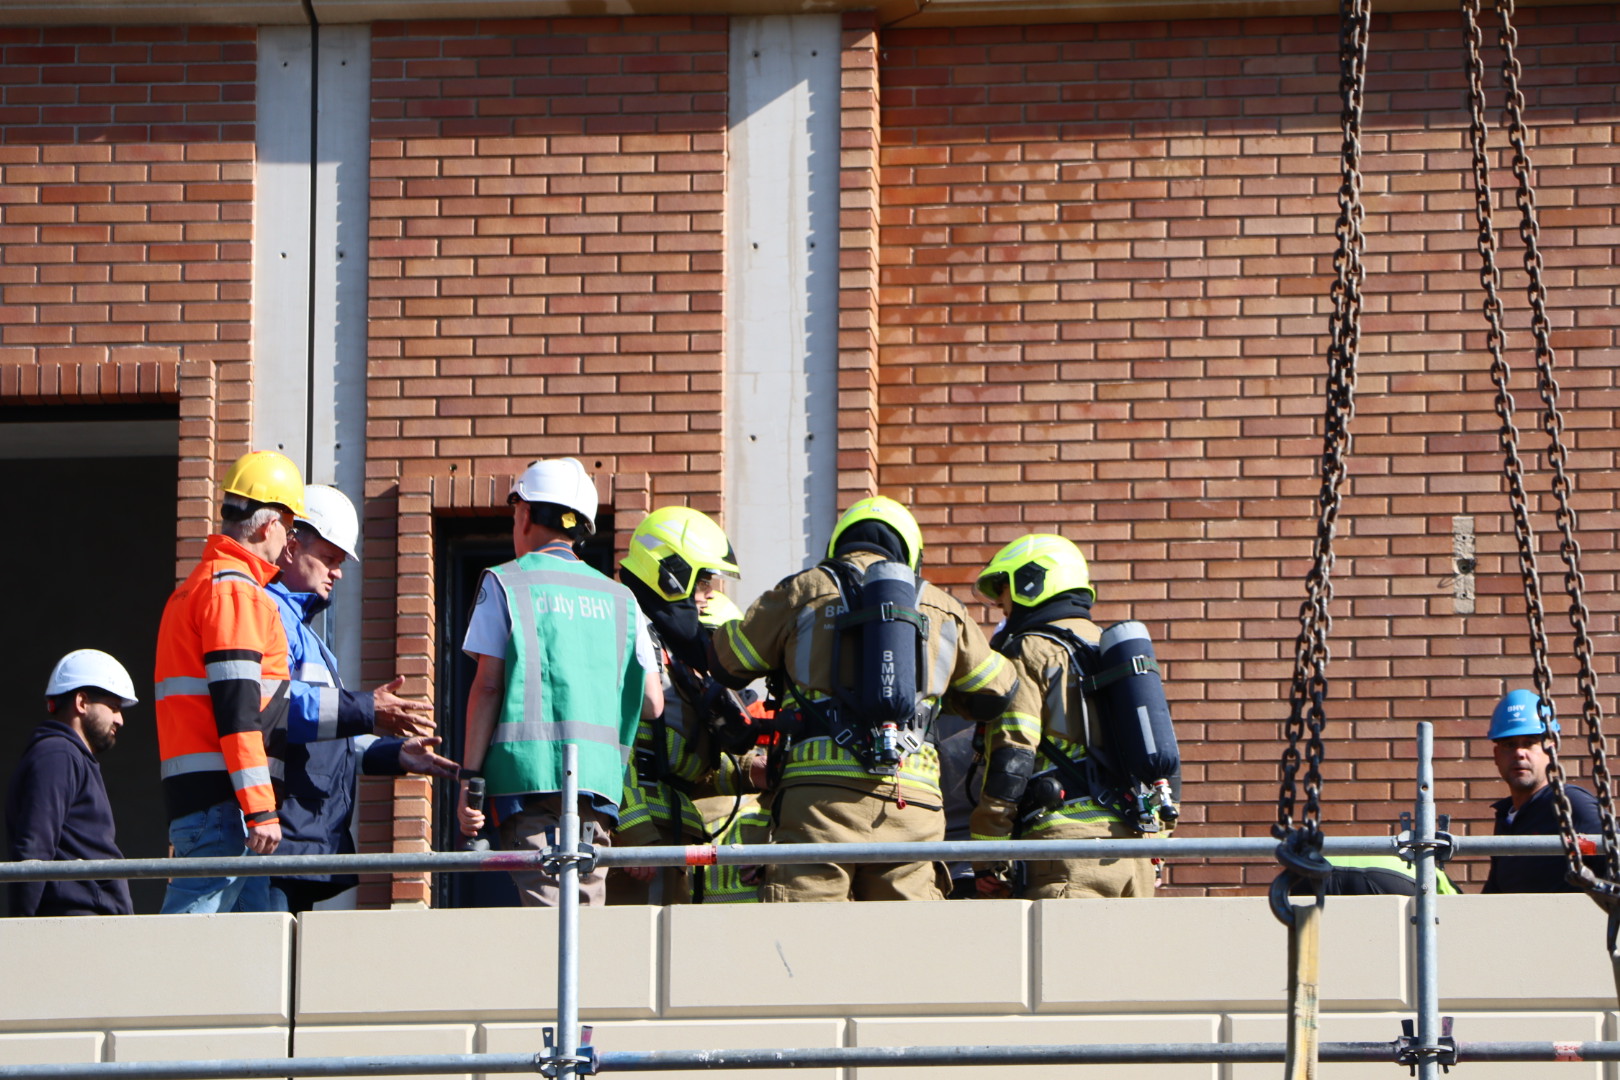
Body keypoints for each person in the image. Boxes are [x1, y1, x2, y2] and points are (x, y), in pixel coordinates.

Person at [710, 495, 1018, 902]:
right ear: (910, 551)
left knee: (803, 944)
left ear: (838, 544)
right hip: (911, 804)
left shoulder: (802, 589)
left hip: (817, 802)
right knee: (905, 952)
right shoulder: (944, 607)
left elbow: (730, 659)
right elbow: (996, 691)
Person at [455, 458, 659, 907]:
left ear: (525, 514)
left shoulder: (507, 582)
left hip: (528, 784)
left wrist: (470, 781)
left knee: (552, 929)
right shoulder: (622, 599)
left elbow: (487, 687)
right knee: (583, 921)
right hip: (600, 788)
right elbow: (653, 703)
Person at [266, 484, 456, 913]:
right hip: (279, 835)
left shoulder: (309, 637)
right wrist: (367, 709)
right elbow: (272, 708)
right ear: (292, 547)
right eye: (330, 559)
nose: (338, 572)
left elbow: (327, 737)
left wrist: (396, 755)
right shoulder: (270, 616)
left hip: (301, 836)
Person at [154, 450, 305, 914]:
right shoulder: (237, 593)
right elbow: (238, 711)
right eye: (291, 527)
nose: (290, 541)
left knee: (241, 964)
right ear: (268, 525)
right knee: (188, 958)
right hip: (229, 811)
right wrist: (260, 807)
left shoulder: (195, 588)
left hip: (208, 804)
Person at [969, 534, 1158, 899]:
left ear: (1030, 583)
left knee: (1065, 958)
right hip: (1137, 852)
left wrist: (988, 853)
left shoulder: (1028, 649)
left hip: (1069, 853)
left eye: (1003, 591)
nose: (1001, 606)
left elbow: (1013, 755)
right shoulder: (1110, 649)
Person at [613, 506, 751, 904]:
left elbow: (679, 754)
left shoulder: (671, 645)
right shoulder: (622, 628)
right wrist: (634, 830)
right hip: (635, 843)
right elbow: (605, 735)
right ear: (668, 573)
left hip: (671, 832)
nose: (711, 595)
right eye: (704, 580)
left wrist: (747, 770)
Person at [5, 650, 141, 916]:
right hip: (73, 928)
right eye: (113, 707)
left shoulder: (67, 756)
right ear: (82, 702)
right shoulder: (57, 755)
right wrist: (21, 932)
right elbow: (34, 848)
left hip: (84, 929)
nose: (120, 719)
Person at [1483, 688, 1605, 893]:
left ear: (1551, 749)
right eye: (1509, 744)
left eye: (1530, 743)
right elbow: (1496, 895)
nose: (1519, 753)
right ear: (1496, 755)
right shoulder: (1507, 817)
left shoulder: (1572, 805)